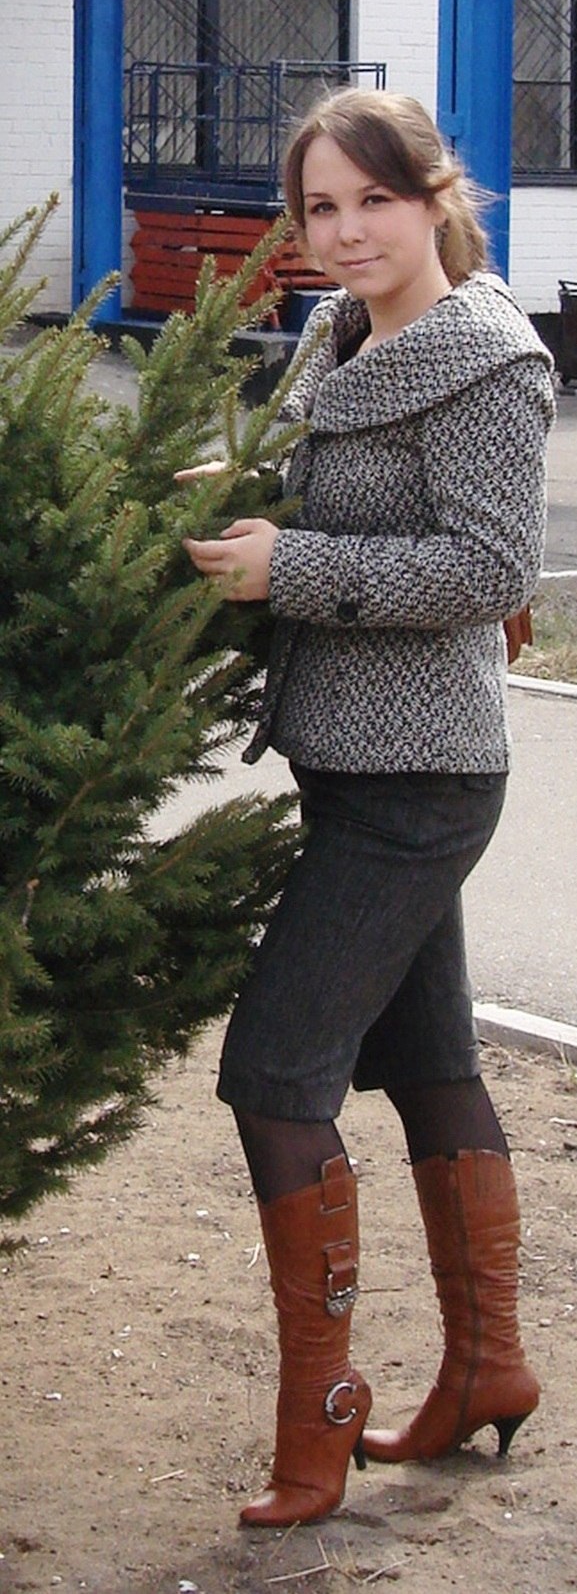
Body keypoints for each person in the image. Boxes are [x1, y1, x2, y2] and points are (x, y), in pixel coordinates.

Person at [179, 89, 555, 1530]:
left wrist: (294, 568)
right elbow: (324, 490)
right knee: (432, 1061)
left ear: (433, 197)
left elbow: (485, 568)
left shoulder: (487, 360)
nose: (343, 234)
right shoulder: (340, 333)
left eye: (371, 202)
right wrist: (240, 498)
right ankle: (487, 1367)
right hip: (349, 762)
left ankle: (318, 1423)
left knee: (276, 1076)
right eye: (318, 209)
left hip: (422, 780)